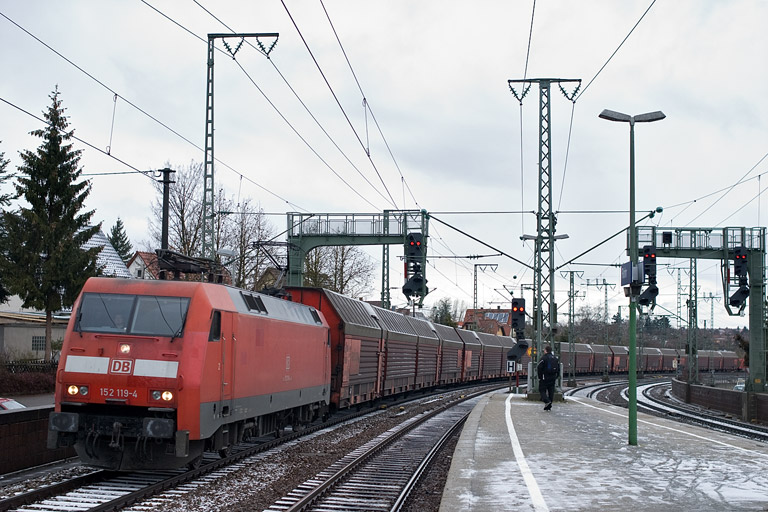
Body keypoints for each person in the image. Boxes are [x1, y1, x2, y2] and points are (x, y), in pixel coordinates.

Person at [537, 345, 559, 411]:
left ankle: (547, 401)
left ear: (546, 350)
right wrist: (556, 376)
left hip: (545, 377)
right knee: (551, 391)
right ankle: (549, 406)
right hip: (553, 377)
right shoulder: (555, 358)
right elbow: (558, 368)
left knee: (542, 390)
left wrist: (540, 377)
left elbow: (539, 367)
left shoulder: (544, 358)